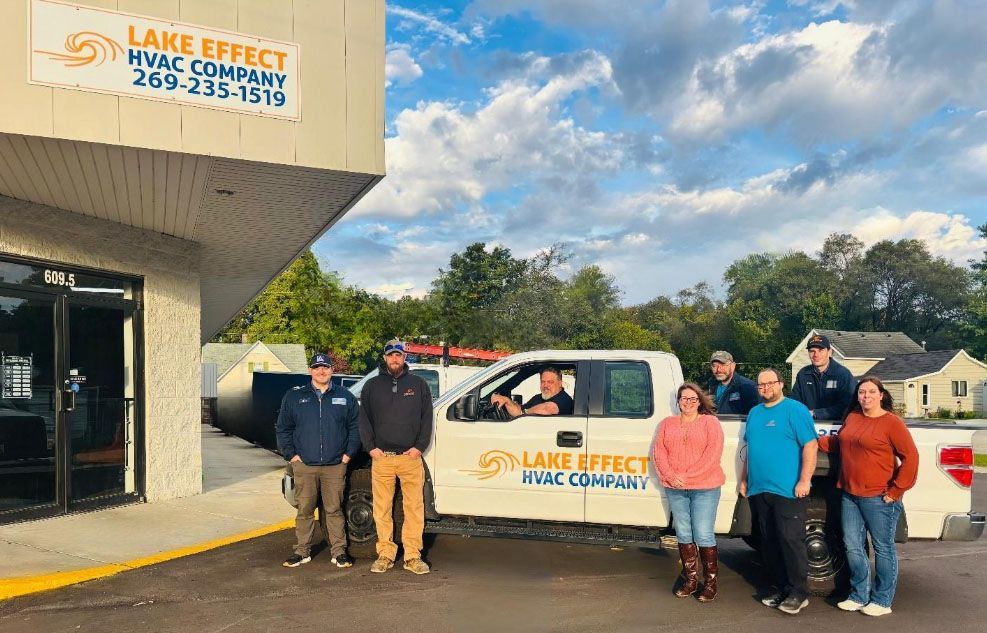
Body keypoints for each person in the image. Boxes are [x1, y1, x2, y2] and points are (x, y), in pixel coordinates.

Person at [818, 376, 918, 617]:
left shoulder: (891, 423)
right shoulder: (853, 417)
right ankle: (859, 595)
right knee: (852, 546)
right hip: (850, 495)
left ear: (881, 395)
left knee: (883, 549)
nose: (866, 396)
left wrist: (896, 490)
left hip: (879, 497)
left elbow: (911, 457)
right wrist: (812, 440)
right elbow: (840, 443)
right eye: (862, 392)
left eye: (872, 392)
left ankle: (882, 600)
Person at [740, 368, 818, 615]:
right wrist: (744, 479)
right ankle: (783, 588)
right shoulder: (754, 413)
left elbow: (810, 445)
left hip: (788, 490)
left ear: (781, 384)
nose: (765, 388)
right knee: (769, 541)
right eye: (761, 385)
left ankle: (799, 592)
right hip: (759, 488)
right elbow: (750, 449)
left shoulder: (795, 410)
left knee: (791, 540)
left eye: (770, 383)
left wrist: (804, 480)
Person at [276, 352, 360, 569]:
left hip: (335, 465)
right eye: (317, 367)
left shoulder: (345, 397)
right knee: (304, 510)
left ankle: (339, 552)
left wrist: (348, 455)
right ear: (310, 371)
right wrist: (292, 456)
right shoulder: (294, 397)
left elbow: (355, 427)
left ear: (332, 370)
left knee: (334, 510)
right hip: (305, 465)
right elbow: (283, 428)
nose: (321, 371)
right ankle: (302, 551)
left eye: (325, 367)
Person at [359, 338, 433, 575]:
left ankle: (412, 556)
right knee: (381, 509)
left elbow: (427, 418)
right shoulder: (371, 386)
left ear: (404, 357)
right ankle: (385, 554)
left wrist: (419, 447)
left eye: (398, 354)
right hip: (382, 458)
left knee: (414, 508)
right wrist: (371, 448)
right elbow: (364, 419)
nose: (394, 358)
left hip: (410, 458)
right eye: (390, 354)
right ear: (384, 358)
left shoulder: (418, 384)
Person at [652, 382, 725, 602]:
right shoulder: (667, 423)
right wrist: (671, 476)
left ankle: (710, 584)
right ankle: (691, 581)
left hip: (705, 487)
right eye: (684, 398)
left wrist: (687, 477)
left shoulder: (710, 423)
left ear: (699, 401)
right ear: (678, 401)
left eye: (693, 398)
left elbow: (712, 455)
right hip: (675, 488)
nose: (688, 402)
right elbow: (658, 452)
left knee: (703, 533)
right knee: (683, 533)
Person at [791, 334, 856, 420]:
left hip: (835, 425)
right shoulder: (803, 374)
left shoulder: (843, 375)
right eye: (812, 351)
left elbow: (847, 405)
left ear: (829, 352)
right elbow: (795, 402)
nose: (816, 355)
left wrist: (816, 413)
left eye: (820, 350)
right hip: (807, 423)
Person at [490, 366, 574, 417]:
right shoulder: (537, 398)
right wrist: (507, 401)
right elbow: (518, 411)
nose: (545, 385)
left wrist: (524, 413)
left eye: (550, 382)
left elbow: (548, 409)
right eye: (543, 382)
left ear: (560, 383)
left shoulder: (565, 399)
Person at [705, 351, 759, 415]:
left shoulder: (747, 387)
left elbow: (755, 415)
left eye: (723, 365)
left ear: (733, 366)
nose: (718, 369)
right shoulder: (709, 386)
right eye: (714, 366)